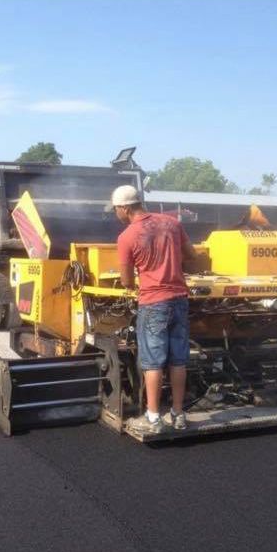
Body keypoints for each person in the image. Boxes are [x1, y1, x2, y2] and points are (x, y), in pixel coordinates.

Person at [111, 185, 197, 433]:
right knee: (178, 360)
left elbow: (127, 281)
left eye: (116, 209)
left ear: (124, 208)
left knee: (153, 362)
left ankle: (153, 417)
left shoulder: (126, 236)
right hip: (180, 299)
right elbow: (190, 255)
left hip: (153, 303)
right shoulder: (172, 223)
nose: (116, 213)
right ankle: (178, 414)